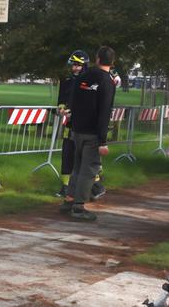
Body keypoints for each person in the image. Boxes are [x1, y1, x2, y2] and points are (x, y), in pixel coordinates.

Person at [59, 46, 116, 221]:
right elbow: (104, 111)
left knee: (76, 167)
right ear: (112, 63)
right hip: (92, 133)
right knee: (89, 169)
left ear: (97, 59)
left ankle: (69, 200)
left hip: (76, 130)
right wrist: (103, 141)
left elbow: (72, 101)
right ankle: (79, 206)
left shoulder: (84, 76)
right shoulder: (108, 82)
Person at [56, 51, 106, 200]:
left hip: (85, 126)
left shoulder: (90, 81)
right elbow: (61, 100)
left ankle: (95, 185)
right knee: (67, 154)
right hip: (70, 125)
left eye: (78, 65)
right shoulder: (67, 81)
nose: (75, 68)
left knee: (85, 157)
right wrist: (61, 109)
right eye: (73, 65)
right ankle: (66, 187)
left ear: (84, 65)